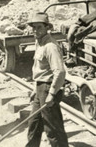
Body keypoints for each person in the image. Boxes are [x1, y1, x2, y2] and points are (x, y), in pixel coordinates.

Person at [26, 12, 68, 147]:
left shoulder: (50, 46)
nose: (35, 30)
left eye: (39, 27)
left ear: (46, 28)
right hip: (40, 88)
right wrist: (35, 89)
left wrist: (51, 94)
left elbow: (60, 72)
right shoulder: (39, 43)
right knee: (34, 123)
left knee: (52, 128)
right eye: (33, 27)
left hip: (48, 88)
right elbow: (39, 69)